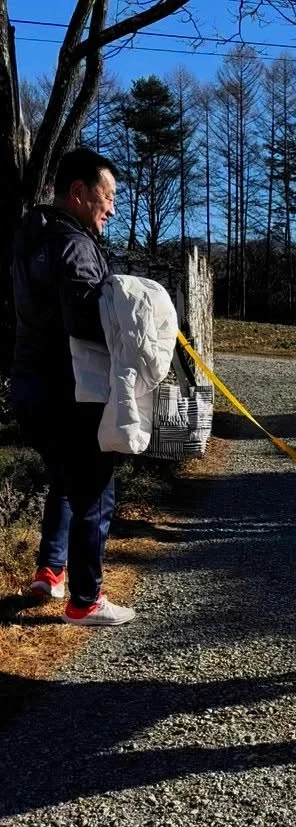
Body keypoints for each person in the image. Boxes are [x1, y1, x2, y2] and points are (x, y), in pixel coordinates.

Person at [11, 147, 135, 627]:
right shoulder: (75, 245)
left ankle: (51, 569)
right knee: (95, 487)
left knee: (63, 478)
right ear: (79, 193)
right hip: (70, 390)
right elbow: (86, 322)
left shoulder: (27, 239)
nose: (112, 207)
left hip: (28, 385)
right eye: (108, 196)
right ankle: (86, 600)